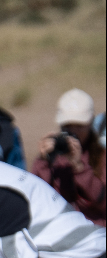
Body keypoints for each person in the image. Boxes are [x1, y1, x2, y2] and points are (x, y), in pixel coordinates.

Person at [30, 90, 104, 223]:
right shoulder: (54, 154)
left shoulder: (101, 155)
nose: (73, 131)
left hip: (96, 234)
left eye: (79, 125)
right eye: (68, 126)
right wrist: (43, 162)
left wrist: (80, 168)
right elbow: (36, 198)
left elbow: (102, 202)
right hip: (60, 233)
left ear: (91, 121)